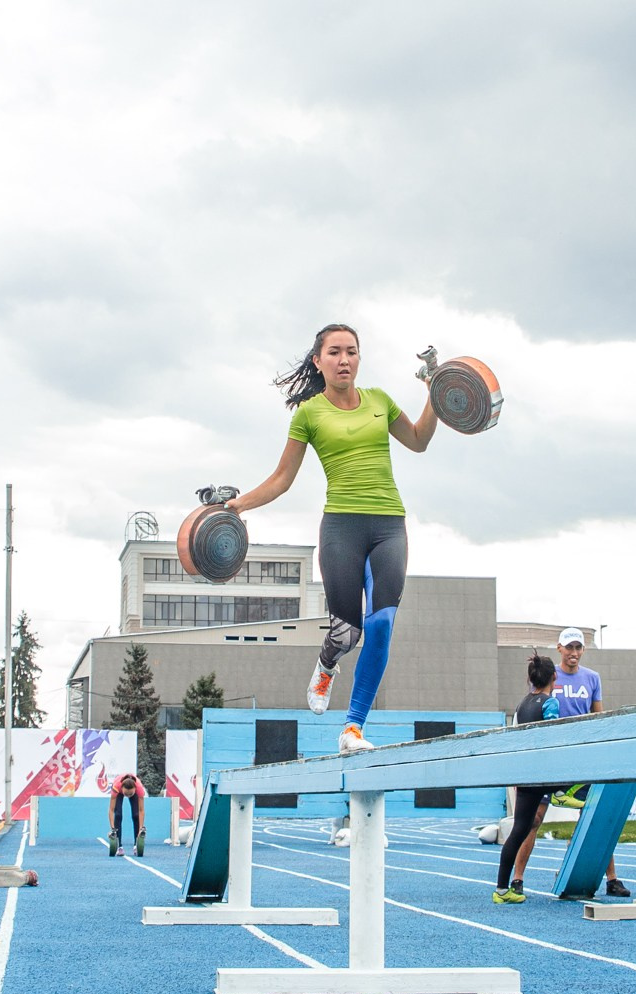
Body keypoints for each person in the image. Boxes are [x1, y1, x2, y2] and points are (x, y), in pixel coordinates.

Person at [227, 323, 443, 756]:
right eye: (335, 352)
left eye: (352, 352)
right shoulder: (309, 413)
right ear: (318, 361)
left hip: (388, 525)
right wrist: (239, 505)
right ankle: (327, 663)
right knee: (348, 633)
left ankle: (353, 729)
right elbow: (283, 479)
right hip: (341, 528)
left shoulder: (380, 401)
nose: (344, 360)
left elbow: (418, 440)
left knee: (381, 625)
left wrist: (436, 390)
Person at [550, 628, 631, 899]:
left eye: (578, 648)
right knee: (535, 818)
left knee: (594, 815)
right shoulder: (550, 677)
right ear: (559, 648)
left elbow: (598, 717)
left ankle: (612, 878)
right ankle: (516, 880)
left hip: (583, 758)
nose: (573, 653)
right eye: (569, 647)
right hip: (554, 756)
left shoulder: (592, 678)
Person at [493, 655, 563, 902]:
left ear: (529, 678)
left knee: (519, 830)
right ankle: (565, 792)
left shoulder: (522, 705)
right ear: (554, 677)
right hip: (542, 773)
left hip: (524, 775)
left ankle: (501, 889)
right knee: (576, 777)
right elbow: (551, 739)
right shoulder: (550, 703)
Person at [109, 772, 148, 858]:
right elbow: (111, 810)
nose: (128, 796)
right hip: (118, 790)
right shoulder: (116, 788)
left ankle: (136, 845)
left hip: (134, 790)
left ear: (135, 789)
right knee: (118, 815)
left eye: (130, 794)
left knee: (136, 815)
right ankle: (119, 846)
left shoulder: (139, 789)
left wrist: (141, 829)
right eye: (126, 794)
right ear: (122, 789)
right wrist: (112, 829)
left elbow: (141, 810)